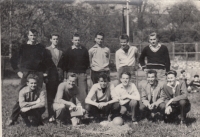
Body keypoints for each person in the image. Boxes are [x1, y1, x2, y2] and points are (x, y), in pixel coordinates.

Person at [6, 29, 52, 126]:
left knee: (37, 96)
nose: (33, 37)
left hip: (38, 74)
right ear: (28, 36)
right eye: (31, 35)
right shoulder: (23, 47)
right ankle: (12, 118)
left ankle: (36, 119)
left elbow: (48, 62)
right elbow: (13, 59)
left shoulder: (41, 48)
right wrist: (18, 71)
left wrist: (45, 73)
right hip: (26, 73)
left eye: (35, 35)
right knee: (21, 96)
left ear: (37, 36)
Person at [61, 33, 90, 107]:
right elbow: (64, 65)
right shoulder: (68, 51)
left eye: (78, 40)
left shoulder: (84, 50)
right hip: (71, 74)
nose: (77, 42)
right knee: (71, 92)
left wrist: (85, 73)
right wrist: (65, 77)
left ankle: (83, 111)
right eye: (75, 40)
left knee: (82, 93)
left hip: (81, 74)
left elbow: (87, 63)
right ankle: (72, 111)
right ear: (72, 41)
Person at [46, 33, 64, 122]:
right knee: (50, 97)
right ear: (51, 40)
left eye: (57, 39)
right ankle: (51, 115)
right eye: (54, 39)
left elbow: (62, 65)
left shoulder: (61, 51)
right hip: (50, 77)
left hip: (60, 77)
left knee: (59, 96)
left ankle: (59, 115)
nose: (55, 40)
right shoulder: (47, 50)